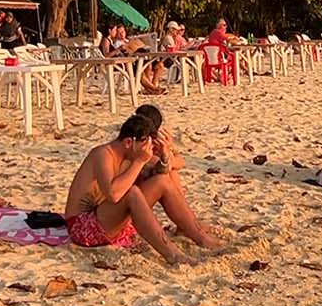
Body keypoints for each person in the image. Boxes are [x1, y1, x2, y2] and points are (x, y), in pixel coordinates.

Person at [63, 110, 221, 264]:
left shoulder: (129, 154)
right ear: (128, 143)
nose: (147, 151)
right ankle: (172, 254)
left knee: (162, 181)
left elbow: (160, 172)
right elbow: (113, 194)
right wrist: (139, 162)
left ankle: (200, 237)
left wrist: (165, 158)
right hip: (83, 226)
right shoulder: (103, 154)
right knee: (132, 192)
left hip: (106, 218)